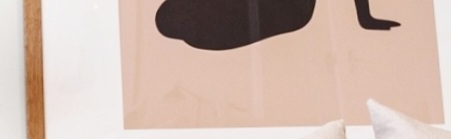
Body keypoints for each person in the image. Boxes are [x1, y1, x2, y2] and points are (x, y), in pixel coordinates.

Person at [155, 0, 400, 51]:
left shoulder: (201, 38)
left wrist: (365, 18)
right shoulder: (203, 36)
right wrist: (365, 19)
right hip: (291, 12)